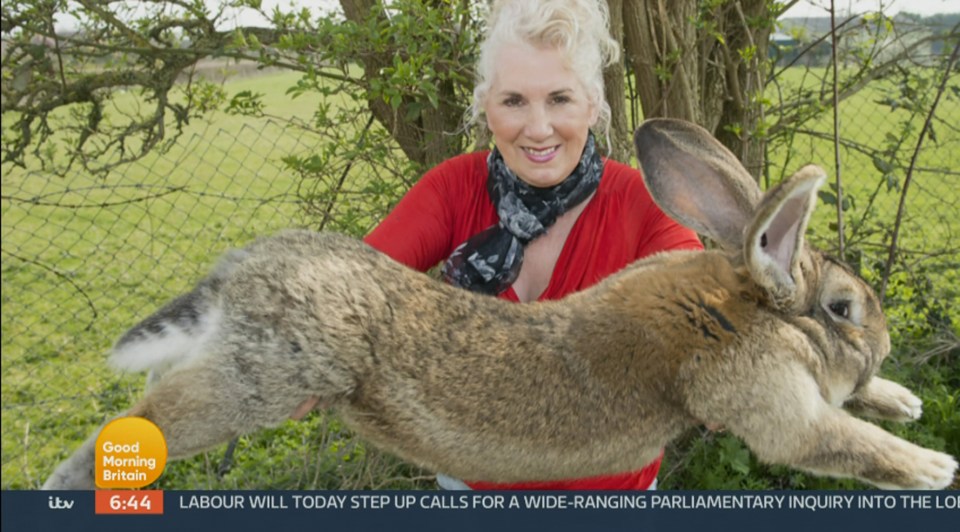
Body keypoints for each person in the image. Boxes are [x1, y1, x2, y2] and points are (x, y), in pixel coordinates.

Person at [363, 0, 702, 490]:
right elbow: (350, 285)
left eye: (559, 99)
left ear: (592, 103)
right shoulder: (453, 189)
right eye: (514, 101)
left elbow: (709, 314)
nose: (538, 128)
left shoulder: (641, 205)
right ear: (487, 106)